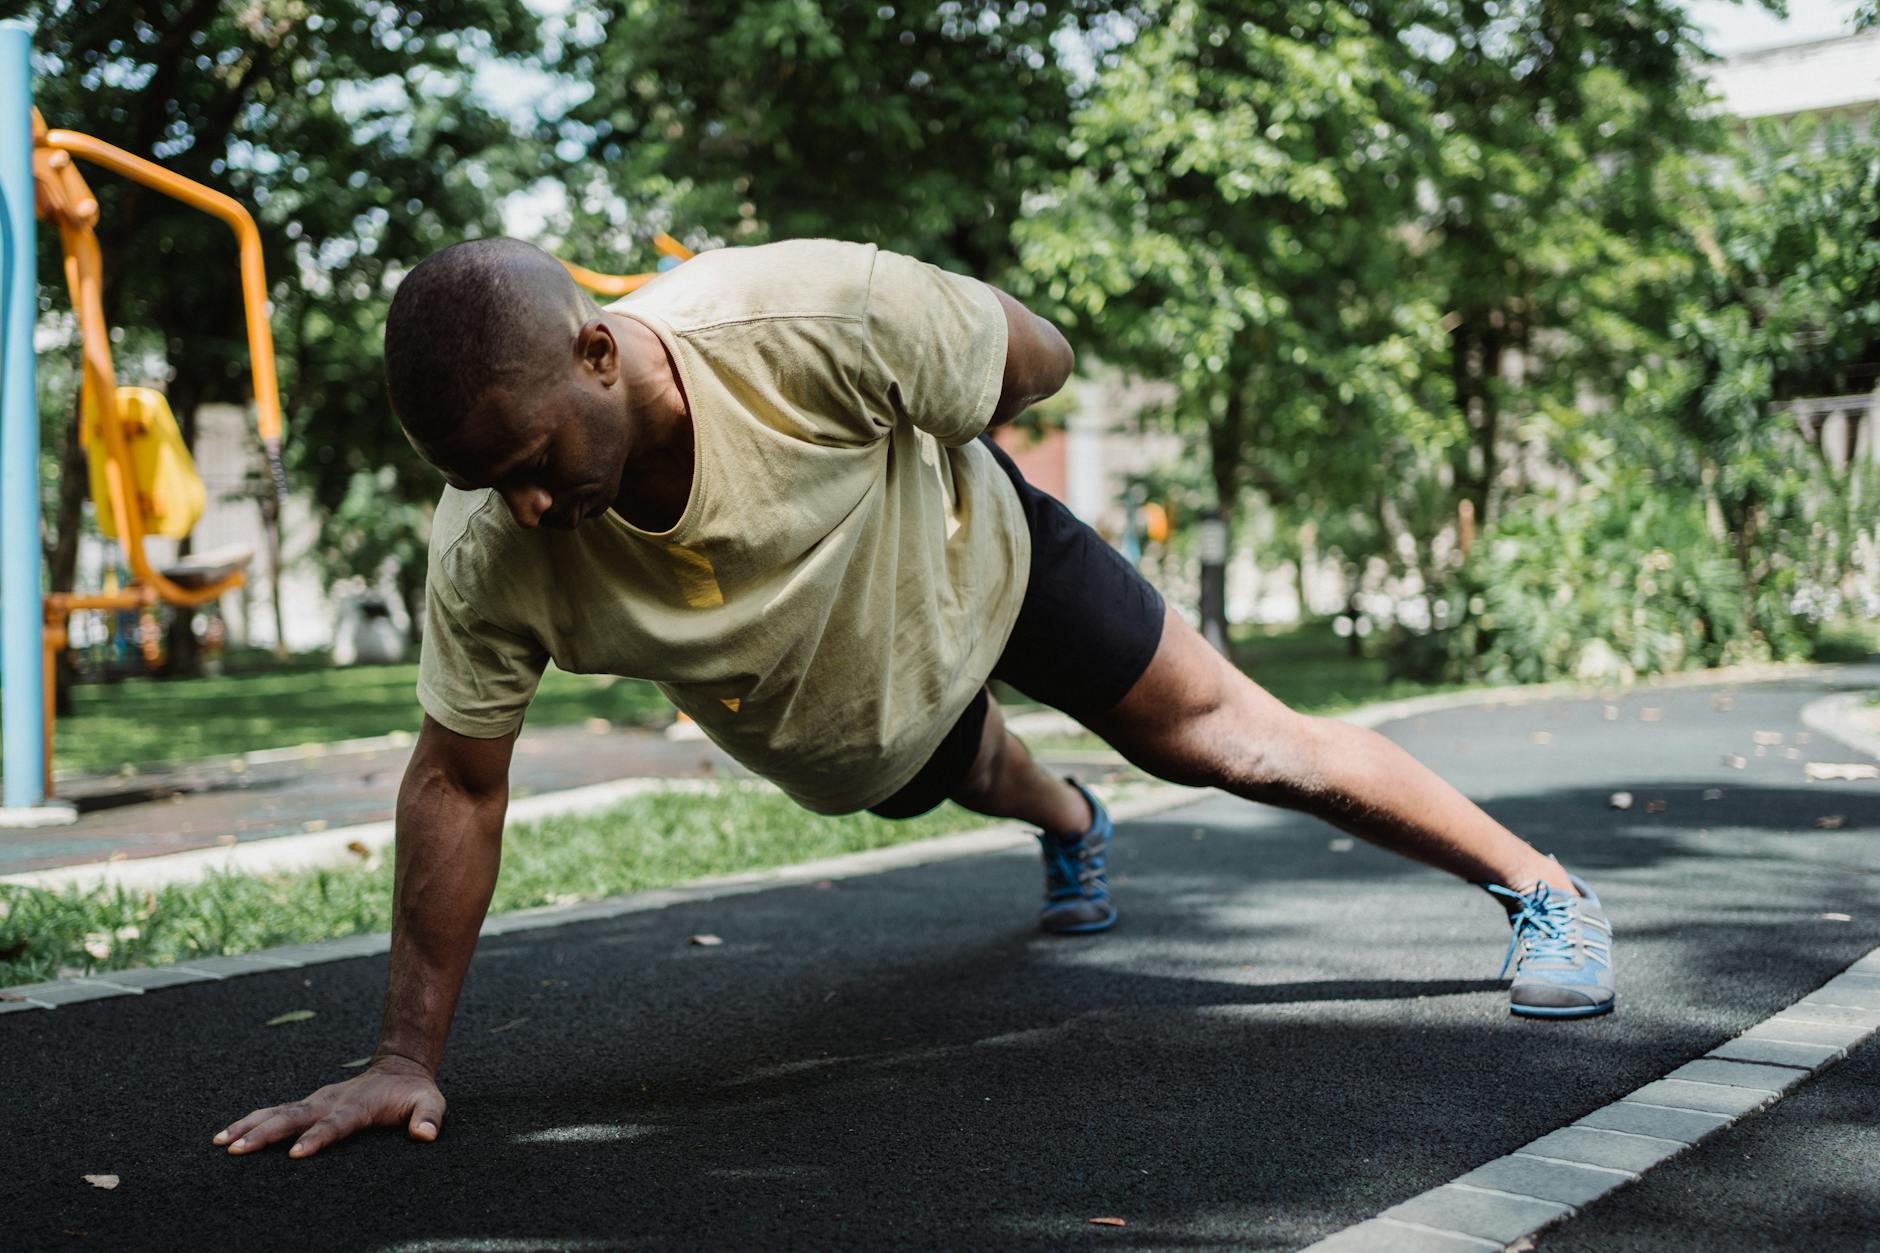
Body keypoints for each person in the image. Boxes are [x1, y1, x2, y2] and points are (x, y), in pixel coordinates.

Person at [213, 237, 1614, 1161]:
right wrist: (402, 1054)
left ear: (597, 351)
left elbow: (1037, 352)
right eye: (486, 482)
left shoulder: (811, 316)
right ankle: (1073, 821)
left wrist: (958, 370)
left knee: (1233, 740)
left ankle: (1545, 891)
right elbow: (458, 779)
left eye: (528, 460)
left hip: (984, 561)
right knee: (974, 771)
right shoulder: (491, 548)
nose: (523, 502)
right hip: (847, 716)